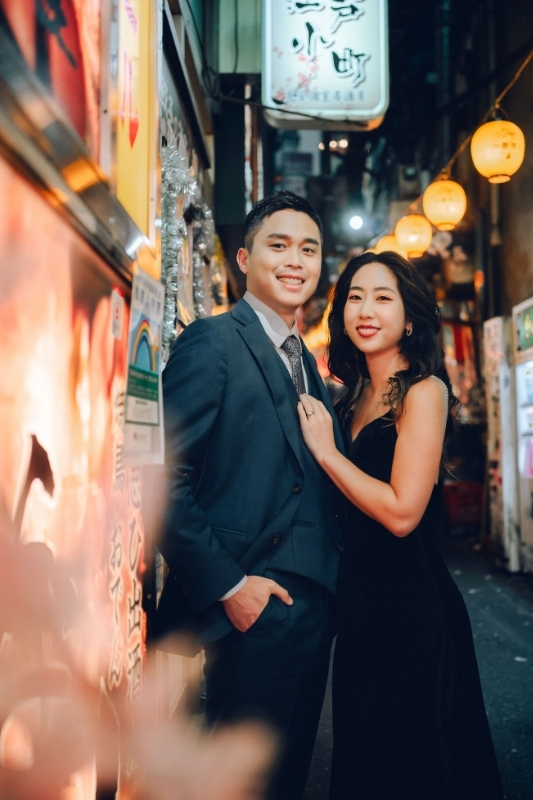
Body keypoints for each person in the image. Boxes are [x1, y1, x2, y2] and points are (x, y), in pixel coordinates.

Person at [295, 250, 503, 798]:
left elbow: (403, 512)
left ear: (409, 318)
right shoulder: (349, 397)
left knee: (418, 763)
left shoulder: (424, 392)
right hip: (360, 604)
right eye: (355, 297)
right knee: (367, 758)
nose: (366, 309)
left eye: (383, 298)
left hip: (412, 606)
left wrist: (327, 454)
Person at [157, 192, 342, 800]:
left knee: (286, 779)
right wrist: (232, 588)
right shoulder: (213, 341)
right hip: (249, 607)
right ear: (243, 257)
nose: (296, 260)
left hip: (309, 611)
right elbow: (160, 476)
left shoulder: (305, 363)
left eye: (309, 249)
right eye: (278, 245)